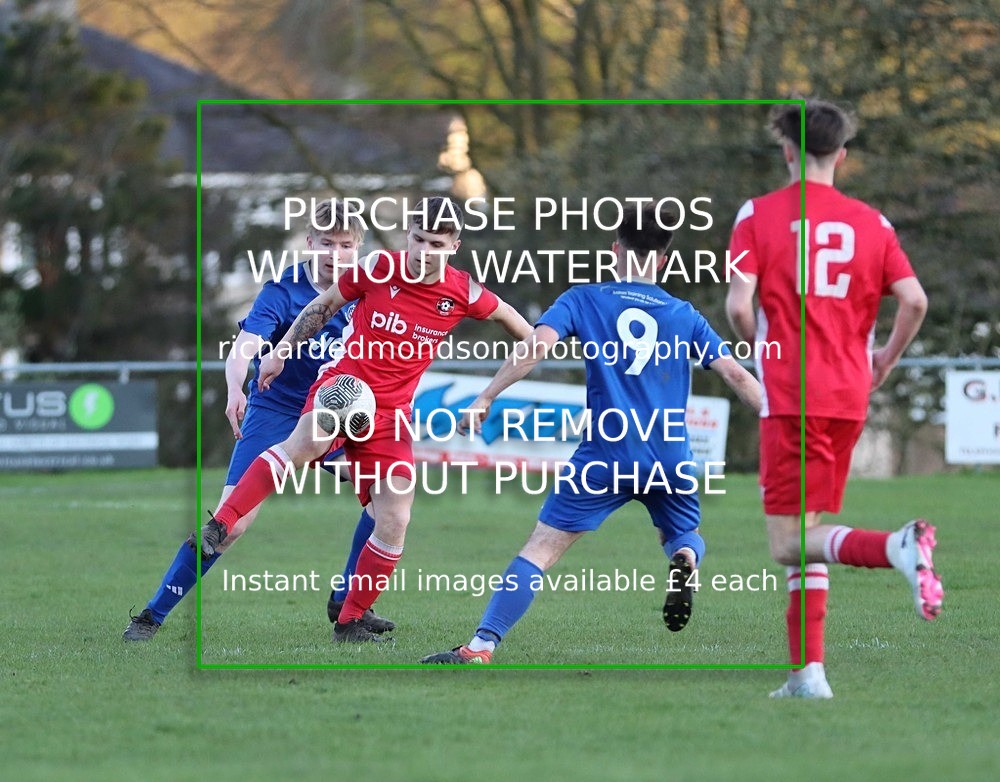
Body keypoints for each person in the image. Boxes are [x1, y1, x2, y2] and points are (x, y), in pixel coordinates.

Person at [420, 203, 763, 664]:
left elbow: (533, 349)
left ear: (615, 251)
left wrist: (486, 396)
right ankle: (684, 562)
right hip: (670, 456)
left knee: (540, 550)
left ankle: (480, 646)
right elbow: (739, 378)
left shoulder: (583, 299)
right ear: (662, 260)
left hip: (607, 453)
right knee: (684, 534)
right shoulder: (686, 315)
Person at [198, 195, 534, 643]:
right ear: (407, 235)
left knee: (395, 518)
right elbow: (324, 306)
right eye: (417, 239)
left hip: (391, 416)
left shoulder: (466, 293)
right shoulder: (377, 268)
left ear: (454, 247)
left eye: (436, 244)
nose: (423, 251)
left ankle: (349, 619)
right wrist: (279, 352)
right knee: (308, 443)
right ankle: (222, 521)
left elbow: (530, 339)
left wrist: (487, 396)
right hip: (345, 386)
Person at [724, 99, 941, 699]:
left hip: (792, 392)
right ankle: (807, 675)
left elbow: (740, 306)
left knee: (787, 542)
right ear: (840, 155)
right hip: (848, 393)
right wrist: (885, 358)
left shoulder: (758, 214)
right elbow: (915, 300)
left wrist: (761, 350)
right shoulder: (873, 223)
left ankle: (895, 545)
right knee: (808, 530)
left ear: (787, 150)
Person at [123, 201, 394, 640]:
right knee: (231, 527)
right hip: (277, 409)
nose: (335, 254)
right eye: (327, 243)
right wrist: (235, 387)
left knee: (388, 501)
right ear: (310, 242)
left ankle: (348, 601)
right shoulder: (282, 291)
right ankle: (151, 616)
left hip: (335, 410)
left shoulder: (370, 289)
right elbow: (246, 345)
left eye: (346, 245)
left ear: (358, 247)